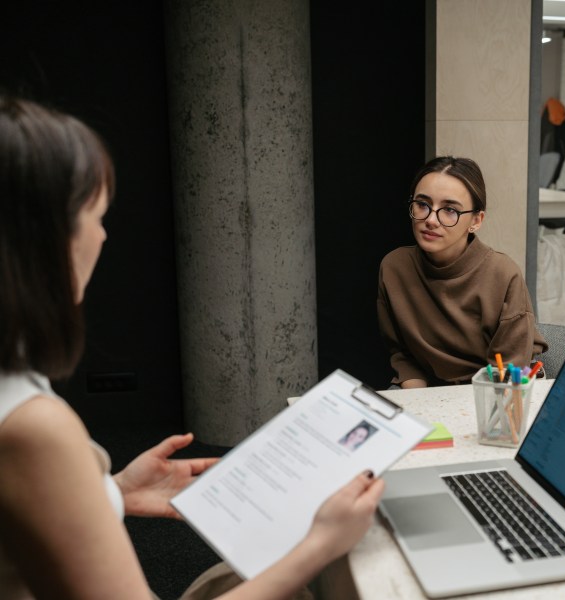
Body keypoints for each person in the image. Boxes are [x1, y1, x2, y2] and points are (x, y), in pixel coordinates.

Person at [0, 96, 384, 599]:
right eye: (95, 215)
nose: (103, 235)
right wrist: (322, 544)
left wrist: (112, 493)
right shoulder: (33, 428)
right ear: (45, 241)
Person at [377, 156, 547, 388]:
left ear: (476, 221)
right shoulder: (394, 267)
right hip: (428, 390)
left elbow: (506, 372)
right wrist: (417, 406)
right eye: (422, 204)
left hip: (494, 392)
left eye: (449, 210)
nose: (430, 219)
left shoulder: (503, 275)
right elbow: (402, 354)